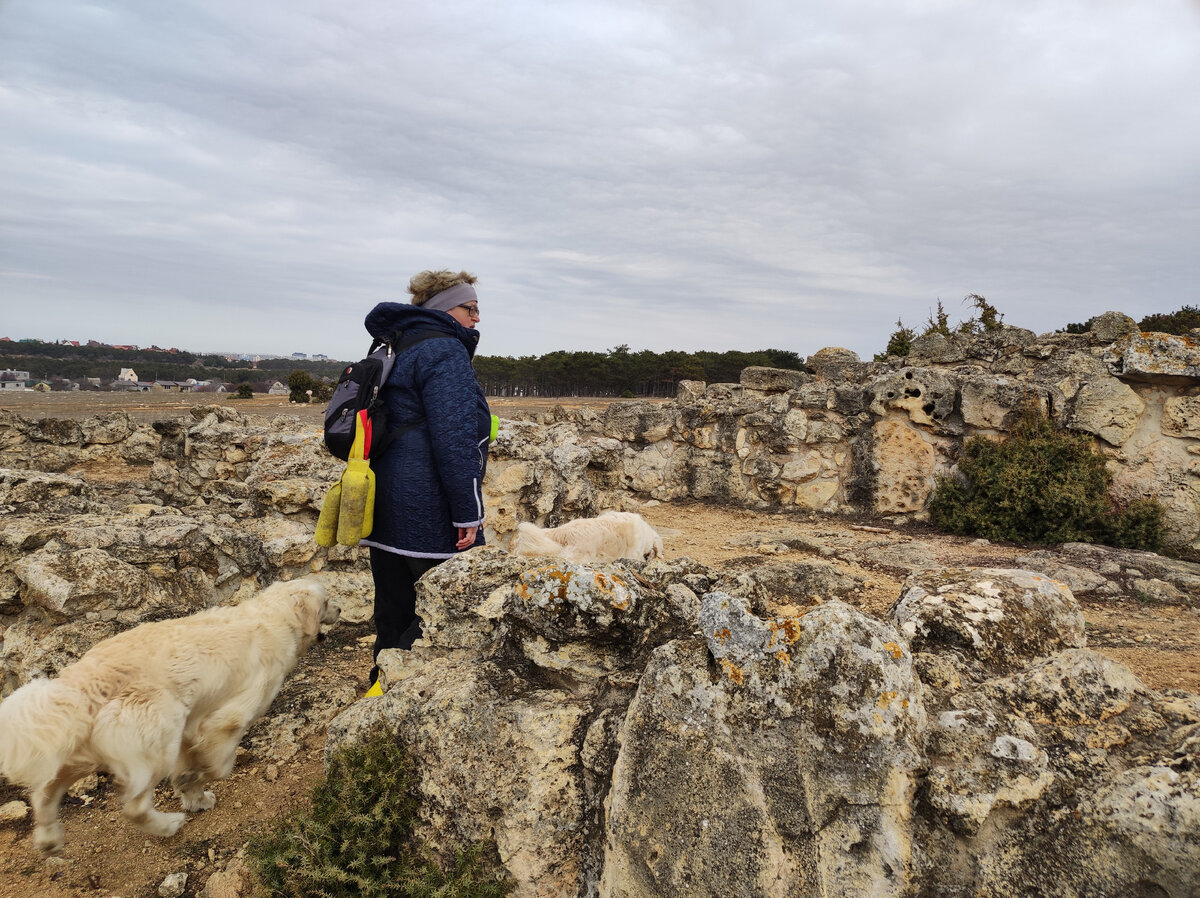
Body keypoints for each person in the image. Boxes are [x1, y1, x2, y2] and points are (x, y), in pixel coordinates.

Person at [360, 270, 492, 684]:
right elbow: (454, 440)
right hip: (428, 507)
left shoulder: (400, 345)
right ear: (443, 310)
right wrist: (468, 514)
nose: (475, 320)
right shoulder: (445, 351)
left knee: (394, 605)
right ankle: (406, 697)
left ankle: (379, 688)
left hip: (385, 501)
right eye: (469, 309)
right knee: (452, 604)